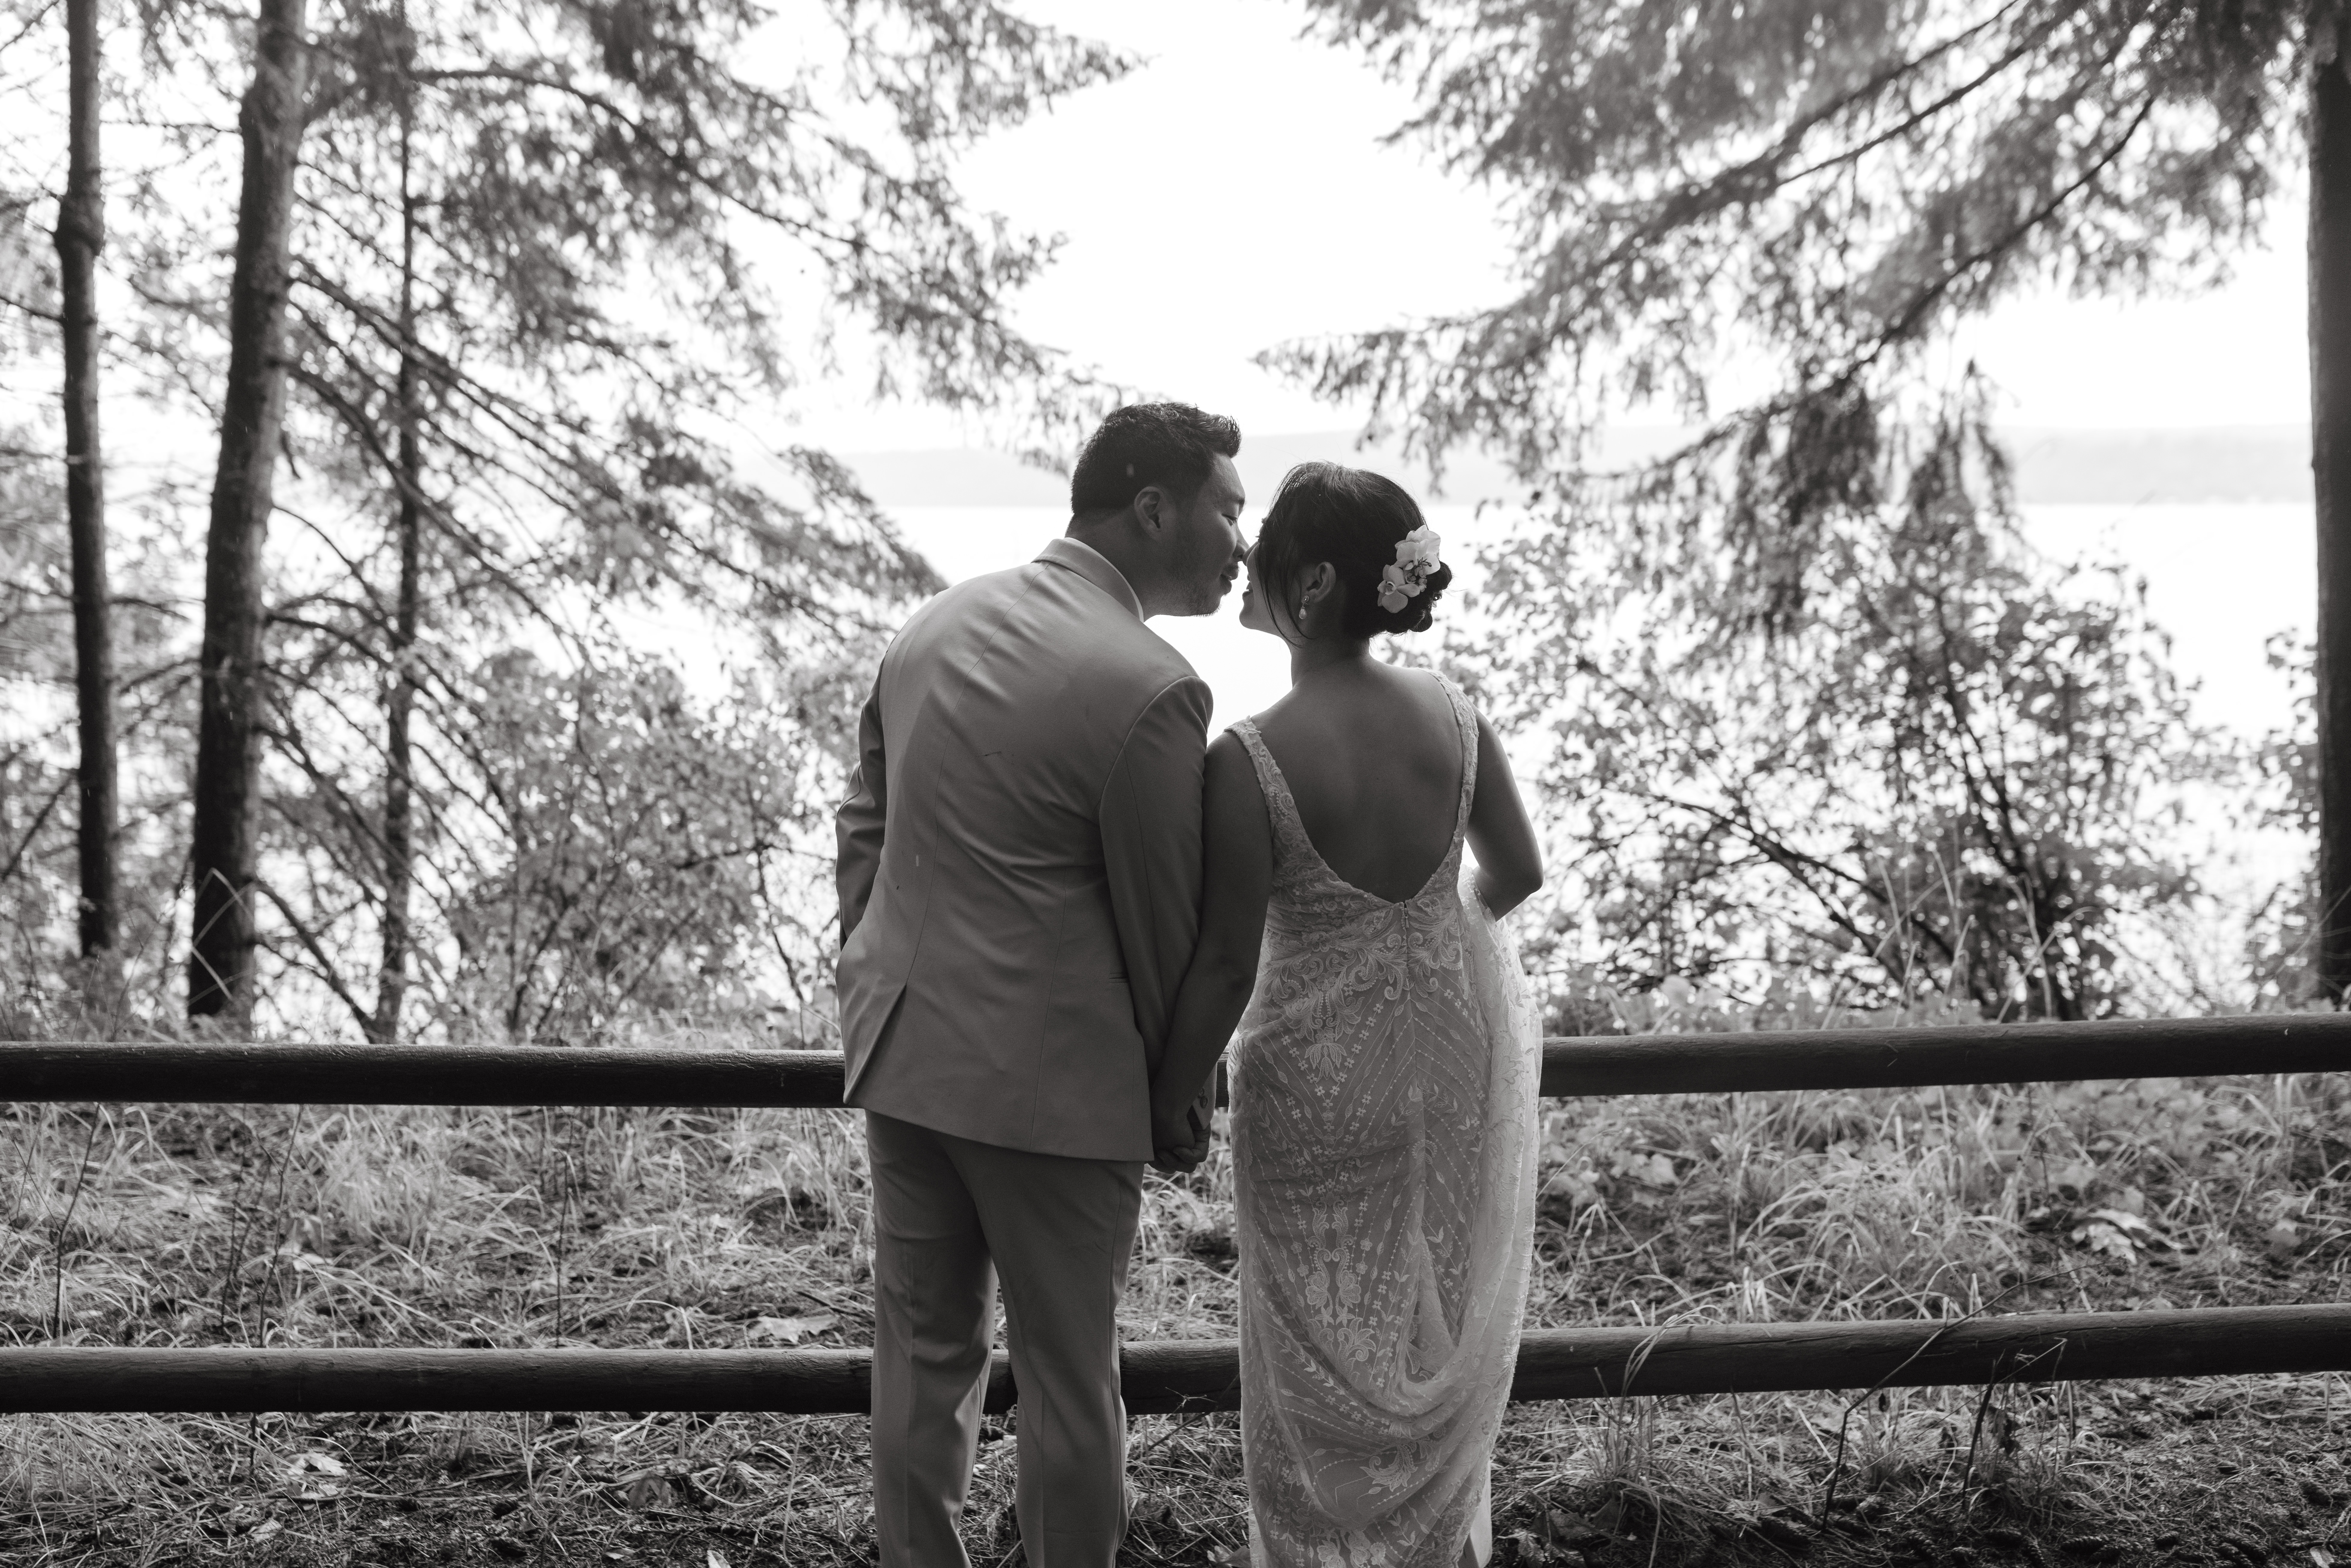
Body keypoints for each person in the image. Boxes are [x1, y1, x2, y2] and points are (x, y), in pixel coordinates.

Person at [833, 403, 1247, 1568]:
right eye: (1228, 510)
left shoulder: (933, 622)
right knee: (1072, 1382)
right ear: (1154, 509)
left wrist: (866, 976)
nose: (1239, 544)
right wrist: (1180, 1099)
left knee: (920, 1360)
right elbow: (1165, 933)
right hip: (1053, 1093)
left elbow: (862, 821)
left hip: (905, 1057)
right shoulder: (1153, 687)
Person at [1147, 462, 1547, 1568]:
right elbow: (1514, 872)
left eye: (1265, 543)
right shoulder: (1456, 716)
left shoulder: (1250, 757)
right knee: (1437, 1310)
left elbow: (1227, 961)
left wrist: (1171, 1089)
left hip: (1316, 1075)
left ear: (1315, 582)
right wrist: (1427, 938)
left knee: (1314, 1338)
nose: (1245, 559)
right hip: (1452, 1048)